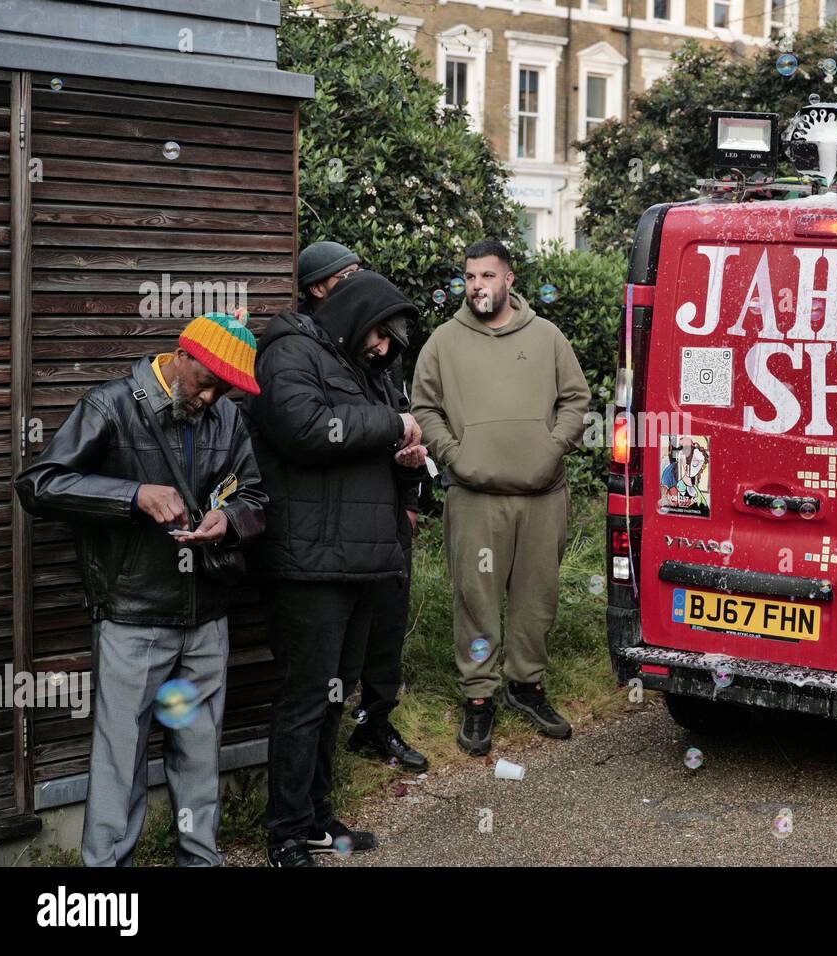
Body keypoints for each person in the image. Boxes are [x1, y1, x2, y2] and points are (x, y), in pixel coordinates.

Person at [14, 313, 267, 867]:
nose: (212, 397)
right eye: (208, 382)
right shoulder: (110, 405)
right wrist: (132, 495)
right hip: (131, 618)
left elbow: (256, 496)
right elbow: (40, 484)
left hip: (207, 617)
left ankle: (200, 861)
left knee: (200, 759)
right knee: (118, 762)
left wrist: (231, 519)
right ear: (184, 356)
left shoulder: (227, 417)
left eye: (224, 389)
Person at [245, 270, 429, 867]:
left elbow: (369, 454)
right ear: (354, 313)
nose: (383, 348)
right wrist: (394, 424)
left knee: (332, 697)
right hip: (308, 564)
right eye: (379, 335)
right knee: (303, 700)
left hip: (360, 561)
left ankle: (318, 819)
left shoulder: (360, 367)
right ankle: (287, 833)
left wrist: (407, 461)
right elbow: (302, 428)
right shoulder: (288, 351)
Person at [411, 239, 590, 756]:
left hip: (542, 494)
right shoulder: (444, 342)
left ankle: (526, 686)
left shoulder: (547, 337)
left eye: (487, 276)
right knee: (476, 598)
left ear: (509, 280)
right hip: (474, 495)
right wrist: (452, 454)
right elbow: (424, 406)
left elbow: (577, 400)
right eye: (469, 277)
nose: (477, 286)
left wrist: (554, 447)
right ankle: (479, 697)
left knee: (537, 599)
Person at [296, 241, 428, 771]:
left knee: (388, 622)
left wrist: (413, 489)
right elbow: (320, 432)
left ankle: (377, 720)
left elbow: (400, 419)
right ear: (318, 288)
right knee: (332, 660)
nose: (357, 284)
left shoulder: (377, 350)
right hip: (335, 532)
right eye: (345, 276)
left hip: (389, 513)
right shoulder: (309, 350)